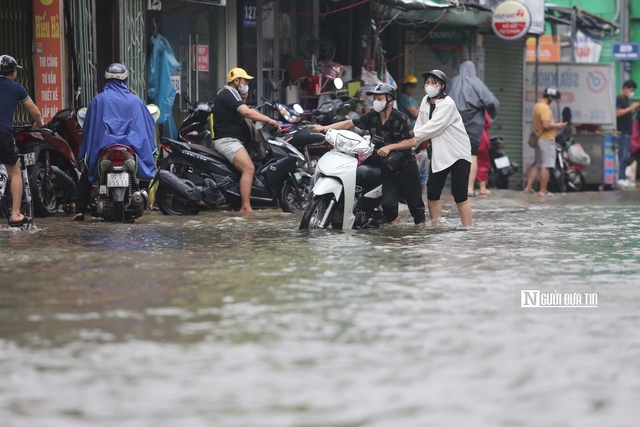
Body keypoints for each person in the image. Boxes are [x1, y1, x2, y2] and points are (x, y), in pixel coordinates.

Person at [314, 83, 426, 227]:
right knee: (388, 206)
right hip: (386, 167)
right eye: (375, 98)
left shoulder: (401, 118)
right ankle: (395, 237)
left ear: (390, 100)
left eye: (380, 98)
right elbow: (349, 123)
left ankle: (419, 238)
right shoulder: (372, 116)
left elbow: (411, 141)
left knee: (416, 208)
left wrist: (391, 147)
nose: (376, 101)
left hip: (406, 166)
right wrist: (325, 128)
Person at [72, 63, 157, 221]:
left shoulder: (98, 100)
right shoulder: (135, 101)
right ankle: (143, 197)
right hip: (131, 148)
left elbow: (89, 126)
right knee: (146, 164)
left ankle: (79, 211)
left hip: (104, 148)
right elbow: (147, 125)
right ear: (125, 79)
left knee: (87, 174)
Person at [213, 67, 280, 212]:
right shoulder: (228, 93)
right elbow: (246, 112)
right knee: (249, 168)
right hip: (227, 141)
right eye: (245, 81)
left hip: (233, 141)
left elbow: (246, 110)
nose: (247, 84)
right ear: (236, 81)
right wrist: (269, 120)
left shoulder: (231, 95)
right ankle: (245, 206)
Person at [413, 70, 473, 226]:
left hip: (458, 152)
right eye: (427, 82)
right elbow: (420, 126)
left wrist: (409, 139)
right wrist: (410, 146)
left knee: (460, 193)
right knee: (432, 190)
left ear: (442, 86)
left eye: (434, 83)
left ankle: (468, 229)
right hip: (439, 153)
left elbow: (433, 127)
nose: (430, 86)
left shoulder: (448, 103)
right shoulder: (425, 101)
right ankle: (436, 225)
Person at [0, 54, 45, 227]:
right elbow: (35, 113)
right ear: (13, 72)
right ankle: (15, 214)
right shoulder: (17, 88)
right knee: (15, 170)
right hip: (3, 135)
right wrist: (39, 124)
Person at [447, 61, 499, 197]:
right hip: (473, 125)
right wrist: (491, 114)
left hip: (454, 123)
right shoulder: (477, 83)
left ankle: (456, 188)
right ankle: (469, 189)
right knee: (472, 155)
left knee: (455, 156)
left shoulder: (453, 82)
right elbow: (492, 102)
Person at [523, 86, 567, 196]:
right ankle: (543, 190)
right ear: (550, 97)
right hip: (546, 139)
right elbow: (546, 124)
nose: (555, 101)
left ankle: (528, 187)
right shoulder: (544, 108)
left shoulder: (537, 106)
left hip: (539, 139)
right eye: (555, 98)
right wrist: (558, 125)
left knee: (538, 164)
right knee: (546, 165)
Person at [615, 79, 639, 188]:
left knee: (626, 156)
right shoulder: (619, 99)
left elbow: (628, 114)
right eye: (631, 90)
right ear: (625, 88)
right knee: (622, 155)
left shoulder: (626, 100)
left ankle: (623, 177)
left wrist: (635, 108)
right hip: (622, 132)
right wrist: (631, 107)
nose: (631, 92)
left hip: (628, 132)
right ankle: (620, 178)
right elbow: (618, 113)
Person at [476, 110, 493, 195]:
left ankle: (468, 187)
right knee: (483, 162)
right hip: (482, 136)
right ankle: (482, 188)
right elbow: (488, 122)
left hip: (467, 135)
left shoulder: (463, 106)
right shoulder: (481, 108)